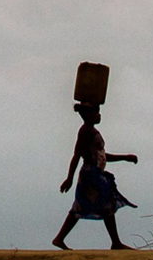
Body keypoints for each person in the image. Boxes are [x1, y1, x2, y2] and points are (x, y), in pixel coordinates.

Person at [53, 101, 137, 249]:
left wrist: (125, 157)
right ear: (88, 115)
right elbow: (77, 155)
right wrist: (69, 178)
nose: (99, 115)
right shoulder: (85, 131)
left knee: (105, 204)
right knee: (86, 206)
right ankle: (60, 238)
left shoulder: (91, 131)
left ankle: (115, 242)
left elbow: (102, 156)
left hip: (96, 173)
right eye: (96, 112)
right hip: (90, 175)